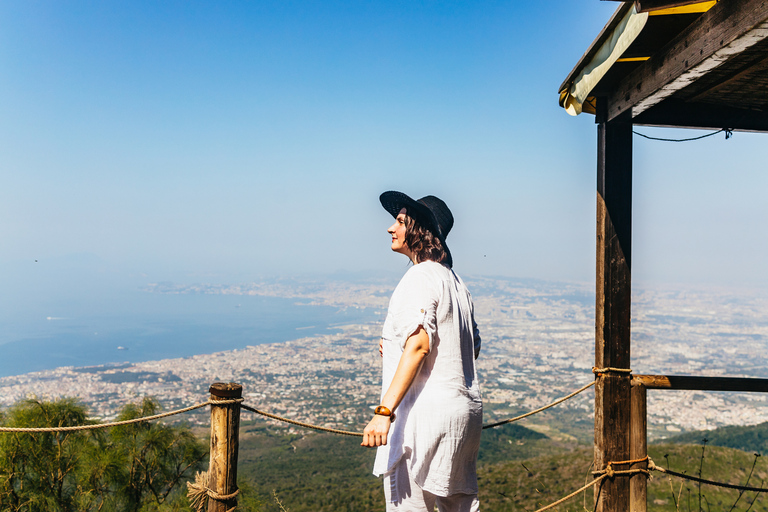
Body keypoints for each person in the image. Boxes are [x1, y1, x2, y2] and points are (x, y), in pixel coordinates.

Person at [361, 191, 482, 512]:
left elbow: (419, 345)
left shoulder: (419, 277)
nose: (391, 228)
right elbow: (472, 346)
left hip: (424, 419)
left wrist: (383, 413)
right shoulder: (455, 283)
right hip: (462, 417)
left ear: (419, 231)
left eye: (400, 221)